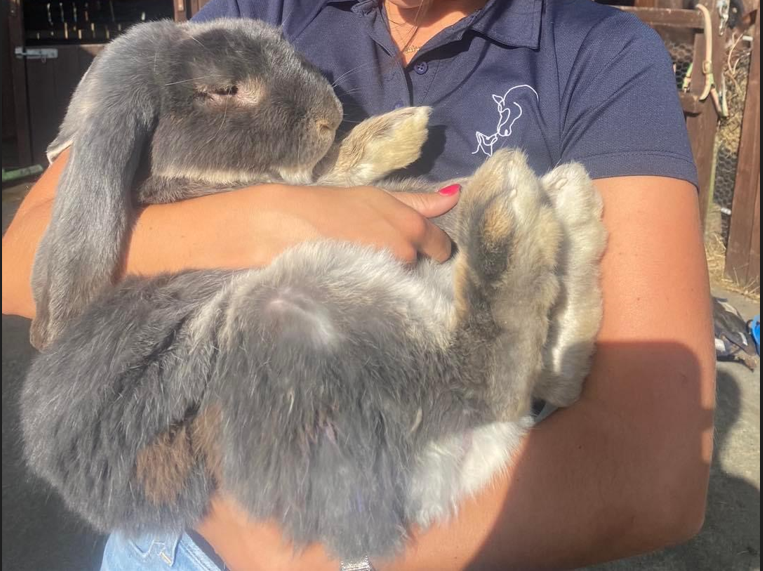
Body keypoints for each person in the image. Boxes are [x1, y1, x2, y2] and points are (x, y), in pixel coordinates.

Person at [2, 0, 716, 569]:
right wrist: (264, 220)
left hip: (408, 524)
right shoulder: (269, 11)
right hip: (174, 536)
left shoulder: (596, 49)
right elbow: (24, 263)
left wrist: (329, 551)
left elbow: (653, 471)